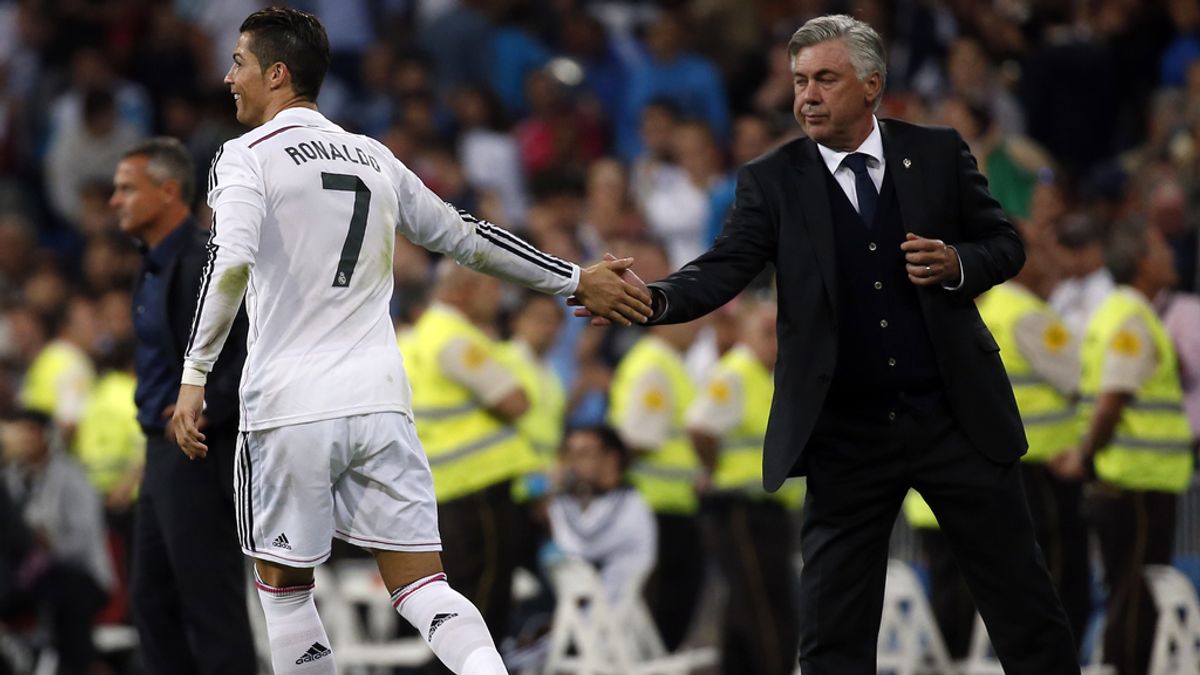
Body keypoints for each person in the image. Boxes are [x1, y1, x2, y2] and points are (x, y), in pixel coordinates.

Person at [587, 14, 1080, 674]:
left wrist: (958, 263)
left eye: (825, 79)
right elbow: (726, 265)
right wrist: (653, 299)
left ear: (872, 85)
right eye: (798, 82)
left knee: (1026, 611)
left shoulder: (937, 153)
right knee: (832, 636)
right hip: (846, 432)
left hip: (956, 417)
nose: (807, 96)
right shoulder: (772, 178)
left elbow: (1007, 244)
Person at [170, 8, 649, 675]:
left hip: (288, 406)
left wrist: (195, 373)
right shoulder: (373, 156)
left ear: (277, 74)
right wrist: (572, 276)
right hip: (379, 405)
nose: (228, 78)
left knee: (285, 592)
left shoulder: (245, 157)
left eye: (240, 64)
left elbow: (229, 263)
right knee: (424, 586)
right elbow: (465, 235)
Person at [111, 137, 258, 673]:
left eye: (127, 188)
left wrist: (207, 407)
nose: (114, 200)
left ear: (168, 190)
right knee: (151, 601)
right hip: (159, 454)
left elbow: (250, 347)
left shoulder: (205, 260)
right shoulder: (150, 264)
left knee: (208, 601)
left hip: (197, 450)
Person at [1053, 221, 1195, 675]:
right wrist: (1086, 454)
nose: (1170, 255)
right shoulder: (1130, 318)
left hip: (1136, 480)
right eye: (1159, 249)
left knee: (1130, 596)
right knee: (1133, 600)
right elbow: (1112, 399)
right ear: (1140, 265)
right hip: (1131, 483)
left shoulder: (1121, 312)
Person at [402, 263, 540, 649]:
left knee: (462, 609)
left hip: (447, 489)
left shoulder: (421, 335)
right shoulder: (453, 337)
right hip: (479, 489)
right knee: (482, 610)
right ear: (462, 290)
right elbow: (514, 401)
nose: (498, 297)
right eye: (491, 287)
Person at [685, 297, 802, 675]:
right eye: (767, 332)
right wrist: (713, 468)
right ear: (745, 334)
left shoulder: (769, 374)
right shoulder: (736, 372)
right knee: (766, 608)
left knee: (747, 605)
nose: (777, 341)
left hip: (768, 511)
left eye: (780, 331)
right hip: (742, 510)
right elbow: (700, 426)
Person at [608, 313, 704, 651]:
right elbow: (639, 436)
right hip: (655, 505)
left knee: (670, 601)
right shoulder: (654, 365)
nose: (698, 327)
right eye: (691, 319)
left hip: (669, 502)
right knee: (664, 604)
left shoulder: (664, 362)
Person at [0, 409, 113, 675]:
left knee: (65, 591)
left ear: (42, 436)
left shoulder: (71, 477)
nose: (19, 440)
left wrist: (48, 543)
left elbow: (84, 541)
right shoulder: (11, 477)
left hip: (80, 574)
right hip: (30, 575)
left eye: (25, 432)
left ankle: (80, 666)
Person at [547, 425, 656, 606]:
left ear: (611, 459)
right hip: (580, 611)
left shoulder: (631, 504)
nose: (573, 462)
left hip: (611, 613)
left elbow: (584, 546)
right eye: (569, 454)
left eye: (584, 453)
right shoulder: (578, 500)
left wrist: (553, 494)